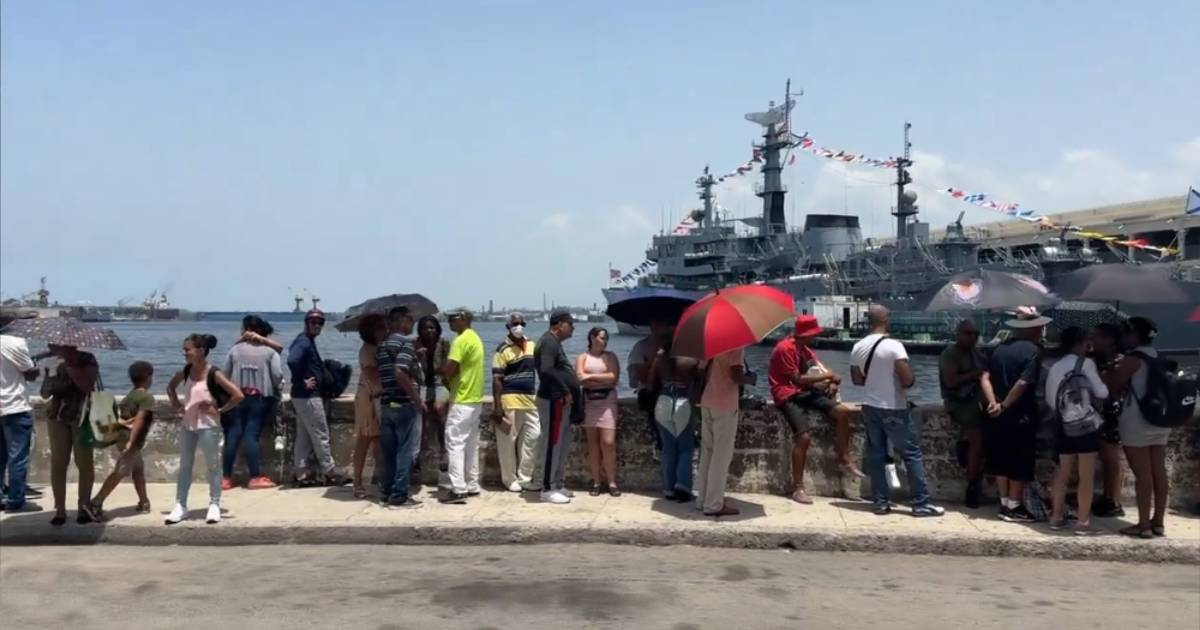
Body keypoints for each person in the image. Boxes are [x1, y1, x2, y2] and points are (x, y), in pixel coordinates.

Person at [851, 306, 944, 517]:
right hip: (893, 407)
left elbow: (857, 380)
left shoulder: (858, 346)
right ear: (886, 319)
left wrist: (875, 380)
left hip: (870, 406)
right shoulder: (894, 346)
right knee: (911, 454)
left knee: (876, 455)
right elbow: (907, 380)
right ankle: (920, 503)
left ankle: (880, 503)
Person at [768, 315, 862, 505]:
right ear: (805, 334)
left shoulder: (805, 350)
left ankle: (843, 456)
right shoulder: (785, 348)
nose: (815, 338)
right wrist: (828, 376)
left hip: (805, 391)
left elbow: (820, 369)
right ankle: (798, 487)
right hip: (788, 394)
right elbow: (797, 380)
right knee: (803, 438)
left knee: (842, 413)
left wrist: (832, 381)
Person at [166, 334, 244, 525]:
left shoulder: (214, 373)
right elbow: (170, 388)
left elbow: (238, 395)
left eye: (187, 349)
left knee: (213, 466)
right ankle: (180, 505)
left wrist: (218, 409)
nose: (184, 353)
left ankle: (214, 504)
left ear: (200, 351)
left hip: (209, 427)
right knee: (185, 466)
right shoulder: (185, 371)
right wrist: (177, 406)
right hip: (188, 426)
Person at [983, 306, 1050, 523]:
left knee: (1000, 458)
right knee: (1020, 461)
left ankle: (1004, 503)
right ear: (1032, 329)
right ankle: (1015, 506)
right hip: (1021, 413)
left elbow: (984, 377)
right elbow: (1023, 382)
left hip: (996, 415)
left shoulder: (998, 349)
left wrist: (994, 403)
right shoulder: (1033, 352)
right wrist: (1005, 405)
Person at [1111, 317, 1172, 539]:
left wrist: (1113, 367)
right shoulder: (1159, 356)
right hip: (1160, 420)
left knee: (1142, 475)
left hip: (1136, 420)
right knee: (1159, 471)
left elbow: (1112, 385)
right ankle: (1158, 522)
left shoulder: (1132, 360)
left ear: (1134, 336)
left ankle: (1143, 525)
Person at [1044, 327, 1108, 534]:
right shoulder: (1086, 363)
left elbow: (1050, 400)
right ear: (1080, 344)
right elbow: (1102, 392)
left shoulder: (1055, 366)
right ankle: (1082, 523)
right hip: (1085, 426)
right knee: (1085, 475)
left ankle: (1055, 518)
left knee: (1062, 472)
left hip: (1062, 424)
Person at [287, 309, 349, 487]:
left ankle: (301, 474)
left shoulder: (306, 341)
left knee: (304, 437)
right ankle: (330, 472)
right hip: (308, 397)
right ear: (306, 323)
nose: (317, 326)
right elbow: (292, 361)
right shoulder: (304, 342)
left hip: (301, 396)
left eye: (320, 323)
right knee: (321, 434)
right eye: (313, 322)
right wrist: (302, 381)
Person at [221, 314, 283, 490]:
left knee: (232, 435)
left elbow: (224, 374)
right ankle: (255, 476)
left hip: (237, 397)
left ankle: (226, 478)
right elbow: (277, 375)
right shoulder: (270, 351)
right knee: (251, 434)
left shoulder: (235, 350)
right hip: (260, 397)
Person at [939, 319, 996, 509]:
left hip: (976, 402)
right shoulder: (950, 354)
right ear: (958, 333)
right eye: (968, 333)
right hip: (959, 403)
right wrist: (974, 374)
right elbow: (950, 381)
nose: (972, 337)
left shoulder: (977, 354)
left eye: (975, 334)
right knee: (977, 439)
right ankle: (972, 483)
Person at [40, 343, 99, 525]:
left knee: (84, 463)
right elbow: (44, 393)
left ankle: (83, 507)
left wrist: (71, 366)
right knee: (58, 463)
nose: (52, 346)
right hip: (57, 416)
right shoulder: (51, 361)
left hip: (81, 417)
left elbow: (86, 386)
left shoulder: (87, 359)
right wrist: (48, 376)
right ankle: (60, 509)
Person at [89, 361, 156, 517]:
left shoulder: (130, 395)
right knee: (120, 471)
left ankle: (144, 502)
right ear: (148, 377)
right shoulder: (146, 398)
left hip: (123, 436)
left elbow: (125, 418)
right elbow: (140, 420)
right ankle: (96, 502)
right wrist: (132, 442)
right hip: (131, 440)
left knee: (138, 470)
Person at [696, 346, 752, 517]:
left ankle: (702, 499)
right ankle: (713, 504)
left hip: (707, 400)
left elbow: (701, 371)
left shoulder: (710, 347)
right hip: (724, 404)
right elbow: (735, 376)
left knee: (707, 452)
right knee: (721, 455)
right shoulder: (735, 347)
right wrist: (750, 379)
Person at [376, 307, 423, 508]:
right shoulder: (405, 343)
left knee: (389, 451)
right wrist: (416, 399)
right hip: (403, 403)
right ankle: (399, 495)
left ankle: (386, 491)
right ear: (402, 320)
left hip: (387, 403)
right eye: (411, 319)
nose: (413, 323)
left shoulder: (382, 345)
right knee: (406, 450)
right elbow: (399, 372)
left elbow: (386, 374)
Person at [648, 335, 703, 503]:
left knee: (668, 447)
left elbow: (650, 385)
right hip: (683, 400)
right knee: (686, 447)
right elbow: (700, 385)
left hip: (663, 400)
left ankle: (668, 489)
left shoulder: (660, 357)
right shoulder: (693, 358)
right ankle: (683, 486)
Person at [534, 310, 581, 504]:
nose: (573, 328)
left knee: (561, 444)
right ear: (559, 324)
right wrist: (565, 390)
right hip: (553, 400)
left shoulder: (555, 343)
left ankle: (557, 483)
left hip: (561, 402)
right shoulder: (548, 342)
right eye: (570, 324)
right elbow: (546, 370)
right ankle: (547, 487)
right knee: (552, 444)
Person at [491, 313, 542, 493]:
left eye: (521, 323)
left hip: (530, 401)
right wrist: (498, 407)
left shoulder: (532, 346)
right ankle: (509, 479)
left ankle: (525, 477)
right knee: (507, 443)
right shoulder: (502, 349)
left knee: (533, 438)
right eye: (514, 324)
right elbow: (497, 379)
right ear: (508, 327)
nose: (518, 326)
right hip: (509, 400)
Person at [440, 309, 486, 504]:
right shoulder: (475, 338)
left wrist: (437, 367)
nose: (450, 321)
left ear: (465, 319)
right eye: (448, 318)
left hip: (462, 398)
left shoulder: (459, 341)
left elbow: (449, 370)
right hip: (475, 399)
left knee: (455, 443)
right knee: (470, 445)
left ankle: (458, 489)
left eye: (454, 318)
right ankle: (472, 484)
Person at [577, 327, 620, 497]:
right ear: (592, 338)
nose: (605, 340)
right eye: (602, 337)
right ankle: (595, 481)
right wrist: (597, 378)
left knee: (608, 443)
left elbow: (613, 377)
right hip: (589, 402)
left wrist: (590, 377)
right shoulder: (583, 357)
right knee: (593, 445)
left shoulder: (611, 357)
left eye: (606, 338)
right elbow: (580, 377)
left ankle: (611, 481)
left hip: (607, 401)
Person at [1, 324, 40, 512]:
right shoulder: (15, 342)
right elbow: (30, 374)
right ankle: (15, 501)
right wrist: (36, 367)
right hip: (14, 407)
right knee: (17, 457)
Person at [1090, 322, 1126, 517]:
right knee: (1107, 458)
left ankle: (1113, 500)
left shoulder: (1119, 362)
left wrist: (1107, 372)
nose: (1093, 341)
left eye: (1097, 337)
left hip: (1112, 413)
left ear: (1110, 340)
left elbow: (1112, 389)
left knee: (1110, 457)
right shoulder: (1101, 360)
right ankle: (1109, 497)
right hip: (1104, 412)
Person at [352, 314, 386, 498]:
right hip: (369, 397)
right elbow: (372, 375)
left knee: (379, 443)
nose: (384, 331)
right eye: (379, 328)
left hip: (375, 396)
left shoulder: (377, 348)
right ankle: (357, 482)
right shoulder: (368, 350)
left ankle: (381, 480)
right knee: (364, 441)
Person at [415, 315, 451, 486]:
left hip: (439, 384)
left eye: (432, 328)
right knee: (421, 412)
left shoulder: (444, 344)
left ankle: (443, 450)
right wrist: (418, 357)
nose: (428, 331)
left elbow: (449, 368)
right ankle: (420, 453)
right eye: (425, 328)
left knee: (438, 409)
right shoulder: (415, 344)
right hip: (422, 384)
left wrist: (437, 366)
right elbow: (408, 368)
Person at [629, 320, 672, 452]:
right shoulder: (641, 347)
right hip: (651, 393)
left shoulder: (674, 347)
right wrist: (657, 362)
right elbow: (645, 379)